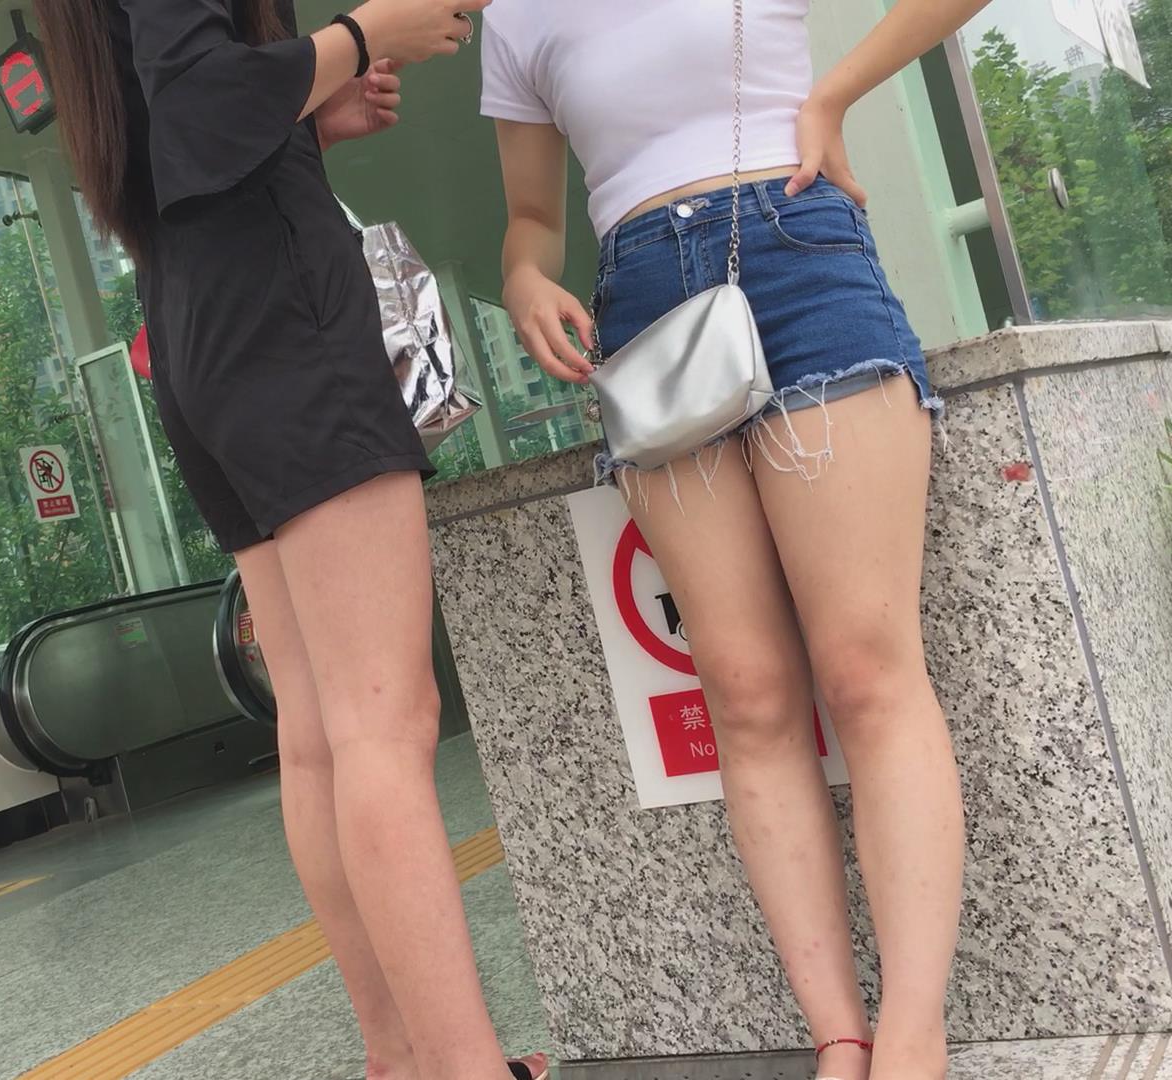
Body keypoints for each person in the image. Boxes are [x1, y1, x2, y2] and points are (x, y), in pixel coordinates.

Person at [32, 2, 545, 1078]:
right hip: (285, 320)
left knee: (321, 729)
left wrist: (305, 110)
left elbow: (174, 128)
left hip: (197, 321)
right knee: (383, 722)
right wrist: (368, 31)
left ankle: (401, 1057)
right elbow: (203, 99)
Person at [484, 2, 989, 1078]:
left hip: (797, 242)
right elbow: (532, 215)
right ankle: (837, 1038)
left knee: (864, 666)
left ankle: (913, 1038)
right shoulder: (512, 16)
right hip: (641, 300)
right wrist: (523, 274)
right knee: (747, 689)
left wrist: (834, 93)